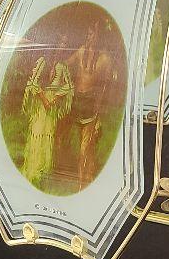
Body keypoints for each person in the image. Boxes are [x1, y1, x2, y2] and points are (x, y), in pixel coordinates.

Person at [66, 20, 114, 189]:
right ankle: (88, 178)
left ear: (99, 37)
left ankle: (82, 184)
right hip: (76, 104)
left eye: (92, 34)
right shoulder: (81, 51)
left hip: (91, 107)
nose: (89, 37)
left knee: (85, 149)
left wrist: (100, 111)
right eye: (88, 34)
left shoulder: (105, 59)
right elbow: (66, 64)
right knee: (78, 145)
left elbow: (107, 87)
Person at [21, 33, 73, 188]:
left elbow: (69, 86)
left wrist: (55, 98)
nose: (63, 46)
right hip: (40, 102)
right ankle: (32, 171)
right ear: (56, 44)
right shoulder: (43, 61)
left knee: (48, 134)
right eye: (62, 43)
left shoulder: (63, 67)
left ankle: (42, 173)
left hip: (52, 105)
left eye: (66, 44)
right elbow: (32, 82)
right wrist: (43, 98)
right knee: (37, 132)